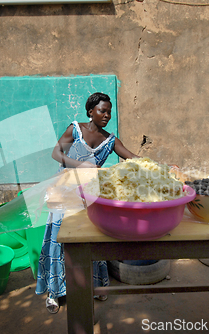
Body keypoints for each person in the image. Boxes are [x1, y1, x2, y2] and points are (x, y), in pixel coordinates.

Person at [35, 92, 139, 314]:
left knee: (88, 239)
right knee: (59, 239)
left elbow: (133, 159)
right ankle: (55, 291)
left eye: (109, 112)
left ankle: (95, 285)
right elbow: (56, 153)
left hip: (88, 196)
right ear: (90, 111)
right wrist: (77, 165)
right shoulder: (75, 129)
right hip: (64, 191)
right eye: (102, 111)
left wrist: (161, 166)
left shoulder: (109, 140)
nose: (107, 115)